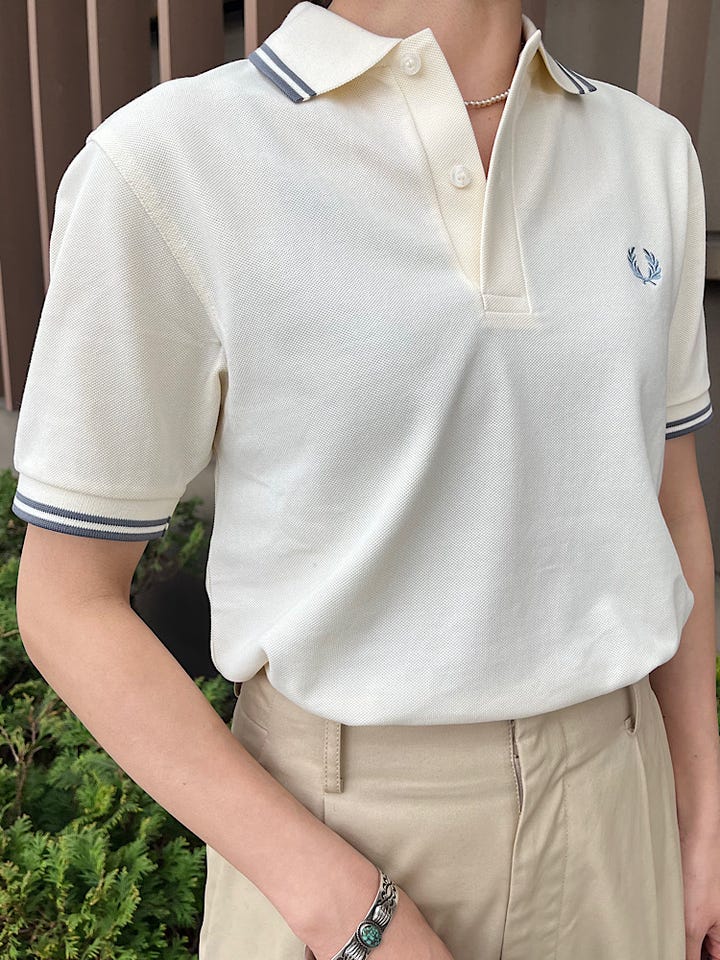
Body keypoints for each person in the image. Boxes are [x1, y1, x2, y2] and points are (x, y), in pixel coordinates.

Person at [11, 0, 720, 958]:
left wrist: (701, 816)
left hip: (618, 811)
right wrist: (341, 904)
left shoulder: (650, 153)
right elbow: (67, 603)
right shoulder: (172, 162)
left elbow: (671, 504)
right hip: (339, 836)